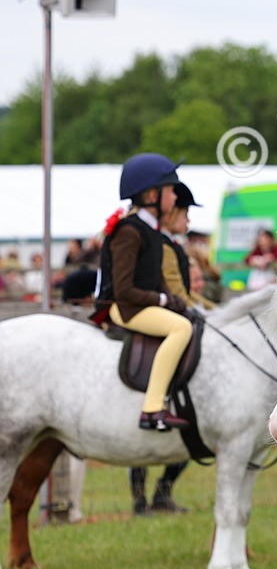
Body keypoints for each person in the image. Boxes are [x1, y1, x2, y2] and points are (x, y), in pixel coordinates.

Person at [96, 153, 193, 431]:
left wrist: (172, 298)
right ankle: (152, 408)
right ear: (152, 194)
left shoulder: (150, 229)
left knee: (189, 319)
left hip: (142, 303)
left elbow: (152, 277)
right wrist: (163, 299)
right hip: (126, 307)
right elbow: (125, 290)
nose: (175, 198)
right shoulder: (129, 231)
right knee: (180, 329)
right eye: (171, 191)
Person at [129, 181, 209, 515]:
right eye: (186, 212)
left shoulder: (169, 243)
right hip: (155, 316)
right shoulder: (159, 244)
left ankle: (159, 494)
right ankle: (140, 498)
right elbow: (177, 292)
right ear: (172, 210)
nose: (188, 220)